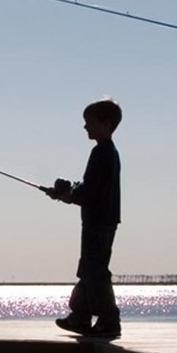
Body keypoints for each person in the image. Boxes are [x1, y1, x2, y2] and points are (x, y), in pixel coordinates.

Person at [46, 98, 122, 338]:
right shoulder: (107, 152)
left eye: (88, 123)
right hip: (102, 220)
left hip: (98, 222)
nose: (85, 127)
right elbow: (90, 187)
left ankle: (109, 320)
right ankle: (80, 317)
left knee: (96, 272)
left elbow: (89, 193)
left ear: (105, 124)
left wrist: (67, 195)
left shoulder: (101, 152)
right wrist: (69, 191)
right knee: (88, 270)